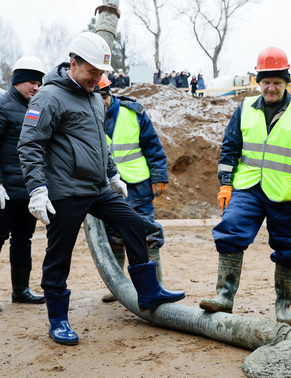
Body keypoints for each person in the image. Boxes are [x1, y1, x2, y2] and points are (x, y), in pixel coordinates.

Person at [17, 32, 185, 346]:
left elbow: (101, 144)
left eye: (102, 72)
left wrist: (113, 175)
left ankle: (148, 292)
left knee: (135, 224)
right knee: (60, 253)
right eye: (92, 71)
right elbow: (30, 144)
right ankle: (58, 320)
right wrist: (37, 188)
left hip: (96, 187)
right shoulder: (49, 97)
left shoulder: (95, 96)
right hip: (65, 190)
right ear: (73, 63)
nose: (98, 78)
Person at [199, 46, 291, 326]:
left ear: (286, 83)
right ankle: (224, 297)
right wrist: (225, 185)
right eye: (266, 82)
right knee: (230, 228)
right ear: (259, 82)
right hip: (249, 188)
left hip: (285, 193)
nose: (271, 88)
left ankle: (283, 307)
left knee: (289, 247)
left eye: (277, 82)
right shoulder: (244, 109)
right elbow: (229, 150)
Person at [98, 74, 170, 302]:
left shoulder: (134, 113)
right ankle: (117, 286)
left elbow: (153, 146)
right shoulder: (85, 115)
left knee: (146, 231)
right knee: (114, 236)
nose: (101, 103)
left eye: (103, 97)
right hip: (107, 187)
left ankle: (155, 285)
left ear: (110, 93)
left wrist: (159, 176)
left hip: (137, 185)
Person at [0, 56, 47, 305]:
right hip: (5, 191)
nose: (36, 88)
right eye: (31, 82)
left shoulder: (35, 107)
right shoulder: (2, 105)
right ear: (18, 81)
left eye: (39, 83)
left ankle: (21, 291)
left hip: (27, 190)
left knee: (22, 240)